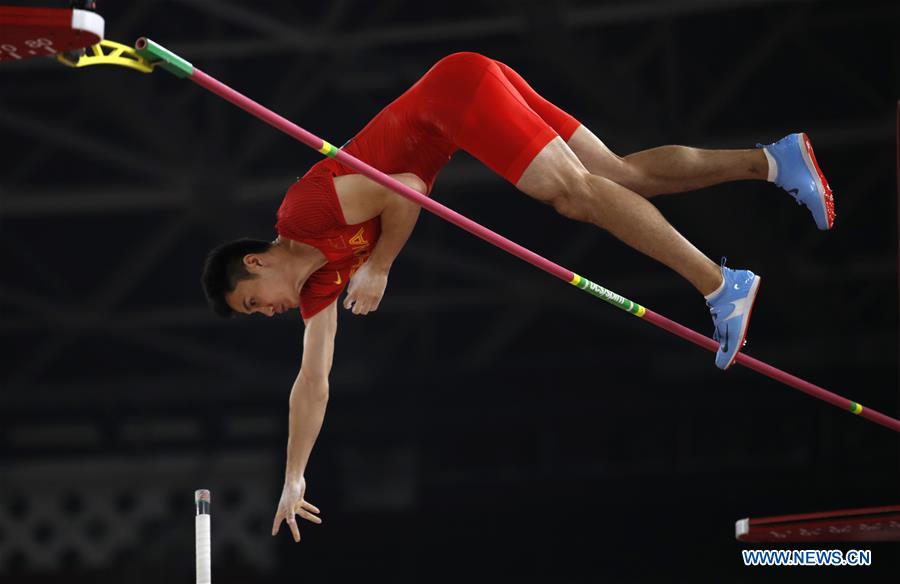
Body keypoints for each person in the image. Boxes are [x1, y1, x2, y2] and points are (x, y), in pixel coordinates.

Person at [200, 52, 835, 542]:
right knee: (621, 175)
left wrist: (381, 266)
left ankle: (722, 286)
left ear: (256, 262)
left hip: (453, 98)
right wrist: (293, 477)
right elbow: (313, 381)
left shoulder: (303, 212)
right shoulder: (319, 286)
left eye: (253, 301)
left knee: (577, 196)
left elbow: (405, 185)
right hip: (463, 88)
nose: (268, 312)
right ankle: (776, 162)